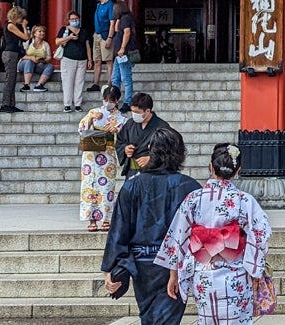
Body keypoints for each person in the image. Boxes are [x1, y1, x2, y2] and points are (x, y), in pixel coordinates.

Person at [156, 143, 273, 325]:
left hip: (203, 274)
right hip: (236, 274)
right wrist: (255, 267)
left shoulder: (194, 199)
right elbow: (260, 237)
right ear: (238, 171)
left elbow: (178, 237)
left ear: (211, 167)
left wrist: (174, 275)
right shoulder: (244, 200)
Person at [101, 127, 201, 325]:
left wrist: (110, 268)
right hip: (175, 262)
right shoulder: (190, 188)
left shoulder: (132, 186)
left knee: (148, 316)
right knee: (166, 318)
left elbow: (119, 230)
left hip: (143, 262)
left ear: (150, 151)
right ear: (180, 153)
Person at [79, 86, 126, 231]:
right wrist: (91, 119)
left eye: (111, 100)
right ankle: (92, 219)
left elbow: (124, 138)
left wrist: (117, 131)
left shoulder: (121, 118)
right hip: (91, 154)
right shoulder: (94, 112)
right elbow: (81, 129)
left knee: (107, 187)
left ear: (117, 100)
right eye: (106, 99)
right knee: (90, 185)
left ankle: (106, 218)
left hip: (108, 153)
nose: (108, 102)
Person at [117, 92, 168, 180]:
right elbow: (120, 140)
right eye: (132, 111)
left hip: (153, 172)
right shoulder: (130, 124)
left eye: (137, 112)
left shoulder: (162, 127)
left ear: (147, 111)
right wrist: (125, 149)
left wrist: (152, 158)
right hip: (132, 171)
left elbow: (170, 150)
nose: (134, 114)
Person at [57, 11, 91, 111]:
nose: (75, 21)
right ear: (68, 20)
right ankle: (67, 104)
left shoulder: (84, 31)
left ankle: (78, 104)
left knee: (79, 82)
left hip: (82, 60)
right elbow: (57, 41)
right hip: (68, 59)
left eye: (76, 19)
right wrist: (69, 37)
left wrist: (90, 59)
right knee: (67, 82)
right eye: (72, 19)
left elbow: (87, 46)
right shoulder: (64, 29)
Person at [0, 5, 29, 113]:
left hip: (12, 53)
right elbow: (26, 37)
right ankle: (5, 104)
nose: (22, 20)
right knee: (9, 79)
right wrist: (24, 26)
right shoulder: (11, 25)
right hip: (10, 54)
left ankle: (11, 104)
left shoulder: (12, 26)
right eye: (21, 17)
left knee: (12, 80)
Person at [91, 0, 115, 92]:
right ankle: (96, 83)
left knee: (108, 60)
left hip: (105, 35)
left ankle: (110, 83)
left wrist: (110, 37)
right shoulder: (98, 5)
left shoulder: (110, 5)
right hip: (97, 34)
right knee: (97, 60)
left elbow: (112, 23)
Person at [21, 24, 56, 93]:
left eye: (43, 31)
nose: (42, 33)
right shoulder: (28, 42)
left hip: (38, 64)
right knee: (29, 61)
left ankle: (39, 85)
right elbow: (21, 55)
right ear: (34, 33)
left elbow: (49, 57)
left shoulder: (46, 44)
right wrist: (31, 58)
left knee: (50, 66)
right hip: (25, 64)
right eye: (40, 31)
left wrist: (44, 61)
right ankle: (26, 85)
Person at [113, 2, 138, 100]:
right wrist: (117, 19)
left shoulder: (126, 18)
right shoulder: (122, 19)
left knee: (126, 78)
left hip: (124, 53)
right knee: (115, 78)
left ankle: (127, 101)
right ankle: (114, 99)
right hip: (118, 54)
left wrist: (122, 48)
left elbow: (127, 33)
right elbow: (116, 29)